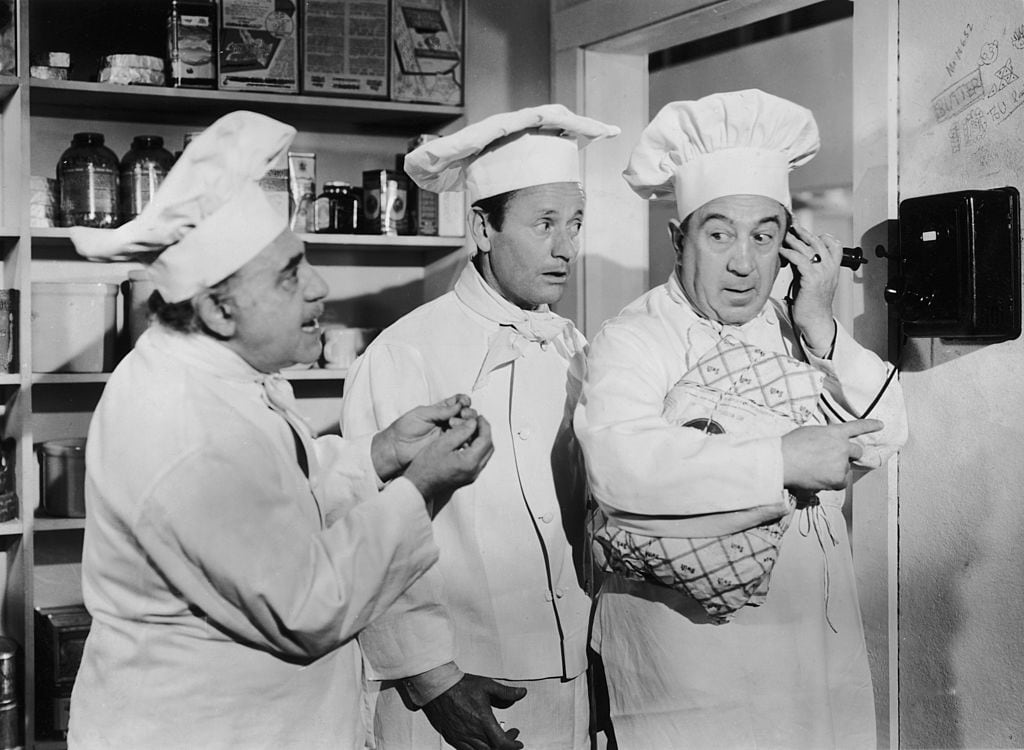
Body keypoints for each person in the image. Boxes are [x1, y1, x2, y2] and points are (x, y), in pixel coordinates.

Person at [64, 110, 494, 749]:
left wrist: (380, 456)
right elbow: (308, 606)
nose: (320, 289)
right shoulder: (185, 427)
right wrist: (422, 490)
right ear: (217, 306)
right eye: (291, 275)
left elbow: (281, 494)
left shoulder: (214, 375)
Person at [573, 89, 909, 749]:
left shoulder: (795, 328)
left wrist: (820, 325)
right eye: (720, 233)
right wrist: (781, 461)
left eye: (765, 236)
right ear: (679, 238)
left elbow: (887, 434)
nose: (744, 262)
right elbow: (619, 469)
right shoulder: (635, 338)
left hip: (809, 649)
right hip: (688, 662)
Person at [341, 104, 620, 750]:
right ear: (482, 228)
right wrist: (435, 683)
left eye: (575, 222)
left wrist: (598, 661)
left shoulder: (574, 349)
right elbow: (367, 530)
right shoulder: (405, 353)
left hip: (568, 688)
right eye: (544, 223)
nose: (567, 247)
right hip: (448, 698)